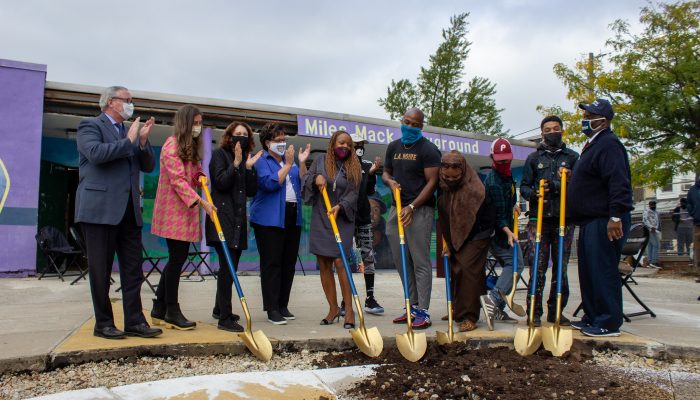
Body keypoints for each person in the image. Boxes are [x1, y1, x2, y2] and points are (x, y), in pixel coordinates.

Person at [75, 85, 161, 339]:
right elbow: (96, 154)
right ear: (111, 102)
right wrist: (129, 141)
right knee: (101, 270)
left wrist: (143, 143)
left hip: (129, 211)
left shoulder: (130, 133)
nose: (131, 104)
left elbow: (147, 165)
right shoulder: (89, 126)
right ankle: (103, 323)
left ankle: (135, 321)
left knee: (133, 270)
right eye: (127, 100)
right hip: (99, 210)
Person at [568, 98, 633, 337]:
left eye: (589, 116)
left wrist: (615, 216)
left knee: (603, 270)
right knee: (589, 272)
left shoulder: (609, 145)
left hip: (604, 219)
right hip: (588, 221)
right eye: (585, 115)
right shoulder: (592, 145)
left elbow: (618, 182)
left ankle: (608, 321)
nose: (584, 119)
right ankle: (592, 315)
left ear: (602, 121)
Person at [150, 104, 216, 331]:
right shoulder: (171, 145)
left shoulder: (190, 146)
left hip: (185, 211)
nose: (198, 127)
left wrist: (199, 175)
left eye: (200, 123)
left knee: (176, 259)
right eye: (195, 123)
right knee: (177, 259)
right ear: (185, 123)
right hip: (173, 211)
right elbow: (177, 180)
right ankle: (172, 310)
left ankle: (159, 308)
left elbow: (193, 171)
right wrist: (202, 202)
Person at [383, 108, 441, 330]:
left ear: (421, 127)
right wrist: (389, 182)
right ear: (402, 121)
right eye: (407, 122)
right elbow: (386, 173)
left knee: (420, 261)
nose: (410, 126)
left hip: (419, 210)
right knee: (401, 260)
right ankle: (411, 306)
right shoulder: (394, 147)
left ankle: (423, 312)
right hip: (396, 209)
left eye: (415, 124)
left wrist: (412, 206)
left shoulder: (428, 150)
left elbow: (432, 182)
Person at [519, 116, 579, 327]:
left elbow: (578, 187)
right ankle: (533, 311)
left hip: (564, 220)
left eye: (556, 128)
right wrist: (535, 194)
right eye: (547, 129)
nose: (551, 132)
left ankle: (556, 311)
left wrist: (556, 185)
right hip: (539, 220)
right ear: (542, 132)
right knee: (537, 267)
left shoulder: (572, 157)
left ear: (562, 131)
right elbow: (524, 187)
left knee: (560, 268)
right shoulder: (534, 159)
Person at [249, 123, 310, 325]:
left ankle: (283, 304)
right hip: (268, 219)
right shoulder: (261, 160)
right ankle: (272, 308)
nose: (282, 143)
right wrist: (287, 164)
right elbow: (270, 184)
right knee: (272, 263)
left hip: (292, 214)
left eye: (284, 139)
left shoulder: (290, 161)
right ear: (267, 143)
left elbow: (302, 183)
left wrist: (300, 163)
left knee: (288, 263)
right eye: (278, 140)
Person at [206, 121, 262, 332]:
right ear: (229, 136)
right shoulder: (219, 155)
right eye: (237, 134)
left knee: (230, 267)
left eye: (245, 134)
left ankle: (219, 308)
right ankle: (225, 318)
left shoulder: (246, 159)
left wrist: (248, 168)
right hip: (222, 220)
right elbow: (220, 182)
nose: (241, 137)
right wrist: (236, 163)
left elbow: (251, 191)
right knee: (227, 268)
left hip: (238, 222)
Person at [303, 130, 361, 328]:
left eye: (348, 144)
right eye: (341, 143)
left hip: (342, 217)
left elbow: (354, 192)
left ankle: (349, 310)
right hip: (322, 215)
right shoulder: (320, 160)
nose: (344, 147)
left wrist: (341, 206)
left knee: (340, 261)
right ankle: (333, 308)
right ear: (333, 143)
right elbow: (306, 182)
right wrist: (315, 178)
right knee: (324, 262)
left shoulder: (354, 165)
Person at [438, 151, 495, 332]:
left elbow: (481, 219)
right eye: (445, 175)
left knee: (468, 271)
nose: (449, 179)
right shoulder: (444, 187)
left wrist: (463, 243)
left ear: (463, 170)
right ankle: (457, 310)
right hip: (456, 237)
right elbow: (446, 217)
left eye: (454, 175)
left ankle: (469, 316)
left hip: (478, 235)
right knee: (455, 270)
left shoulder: (474, 189)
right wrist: (449, 243)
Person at [479, 138, 524, 330]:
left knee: (513, 264)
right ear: (492, 157)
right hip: (498, 233)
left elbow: (506, 203)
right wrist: (507, 231)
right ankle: (494, 299)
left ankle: (498, 308)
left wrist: (514, 205)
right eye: (500, 160)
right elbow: (497, 215)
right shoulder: (494, 181)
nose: (504, 163)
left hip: (506, 229)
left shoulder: (507, 176)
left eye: (507, 159)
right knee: (515, 264)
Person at [346, 133, 384, 314]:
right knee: (344, 261)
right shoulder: (342, 165)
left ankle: (370, 298)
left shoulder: (368, 165)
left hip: (363, 218)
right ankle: (345, 302)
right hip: (345, 219)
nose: (359, 147)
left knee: (368, 258)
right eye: (356, 144)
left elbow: (368, 191)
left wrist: (372, 173)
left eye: (361, 144)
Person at [368, 194, 393, 270]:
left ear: (380, 214)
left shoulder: (390, 238)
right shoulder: (351, 237)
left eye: (375, 210)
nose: (371, 214)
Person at [643, 200, 661, 268]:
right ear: (649, 205)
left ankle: (650, 262)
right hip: (650, 230)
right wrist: (651, 227)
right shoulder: (646, 212)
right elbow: (645, 220)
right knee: (656, 245)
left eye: (654, 205)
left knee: (650, 246)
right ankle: (654, 261)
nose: (654, 206)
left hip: (654, 230)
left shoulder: (656, 212)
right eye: (652, 205)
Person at [687, 175, 700, 272]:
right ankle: (698, 270)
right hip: (697, 222)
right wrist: (693, 213)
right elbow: (689, 203)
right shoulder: (692, 190)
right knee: (698, 247)